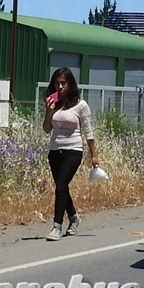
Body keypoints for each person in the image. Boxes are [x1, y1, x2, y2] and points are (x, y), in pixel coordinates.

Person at [42, 67, 99, 241]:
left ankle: (56, 226)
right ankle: (73, 217)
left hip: (73, 150)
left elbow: (88, 132)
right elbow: (46, 129)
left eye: (63, 83)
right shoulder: (53, 103)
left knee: (61, 185)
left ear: (70, 84)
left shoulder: (81, 105)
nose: (60, 86)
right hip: (55, 150)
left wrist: (94, 155)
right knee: (62, 188)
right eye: (57, 83)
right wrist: (49, 110)